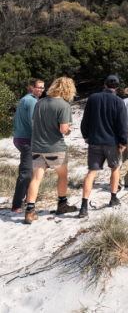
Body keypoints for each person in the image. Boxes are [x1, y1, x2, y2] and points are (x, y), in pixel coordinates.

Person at [24, 77, 78, 224]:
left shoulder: (39, 102)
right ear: (68, 89)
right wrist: (67, 132)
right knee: (62, 175)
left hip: (37, 146)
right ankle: (62, 204)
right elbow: (63, 129)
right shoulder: (63, 105)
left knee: (36, 179)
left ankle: (29, 211)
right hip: (55, 147)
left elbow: (33, 123)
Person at [79, 75, 128, 218]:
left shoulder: (93, 98)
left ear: (104, 84)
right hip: (112, 142)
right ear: (117, 87)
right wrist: (123, 142)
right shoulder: (119, 101)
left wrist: (85, 135)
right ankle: (113, 198)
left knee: (91, 173)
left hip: (95, 140)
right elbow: (122, 125)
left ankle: (83, 206)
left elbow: (85, 119)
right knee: (114, 169)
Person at [11, 78, 44, 213]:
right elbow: (34, 122)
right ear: (31, 87)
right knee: (26, 172)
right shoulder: (32, 101)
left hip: (19, 138)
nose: (41, 90)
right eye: (38, 87)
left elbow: (14, 120)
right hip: (27, 140)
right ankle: (17, 205)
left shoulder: (24, 99)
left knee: (30, 171)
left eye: (42, 88)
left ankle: (26, 198)